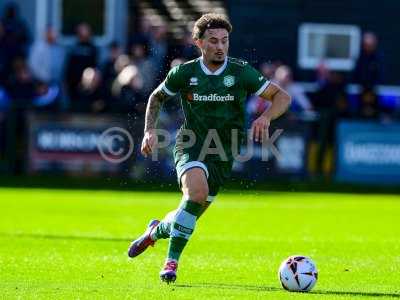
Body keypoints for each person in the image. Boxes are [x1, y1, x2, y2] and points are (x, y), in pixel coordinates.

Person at [127, 13, 291, 283]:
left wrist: (265, 117)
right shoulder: (185, 73)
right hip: (190, 144)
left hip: (224, 153)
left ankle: (155, 232)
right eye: (213, 41)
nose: (220, 46)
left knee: (188, 214)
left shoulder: (240, 72)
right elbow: (156, 97)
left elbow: (282, 97)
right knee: (196, 194)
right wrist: (148, 131)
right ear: (199, 42)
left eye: (225, 41)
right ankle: (171, 263)